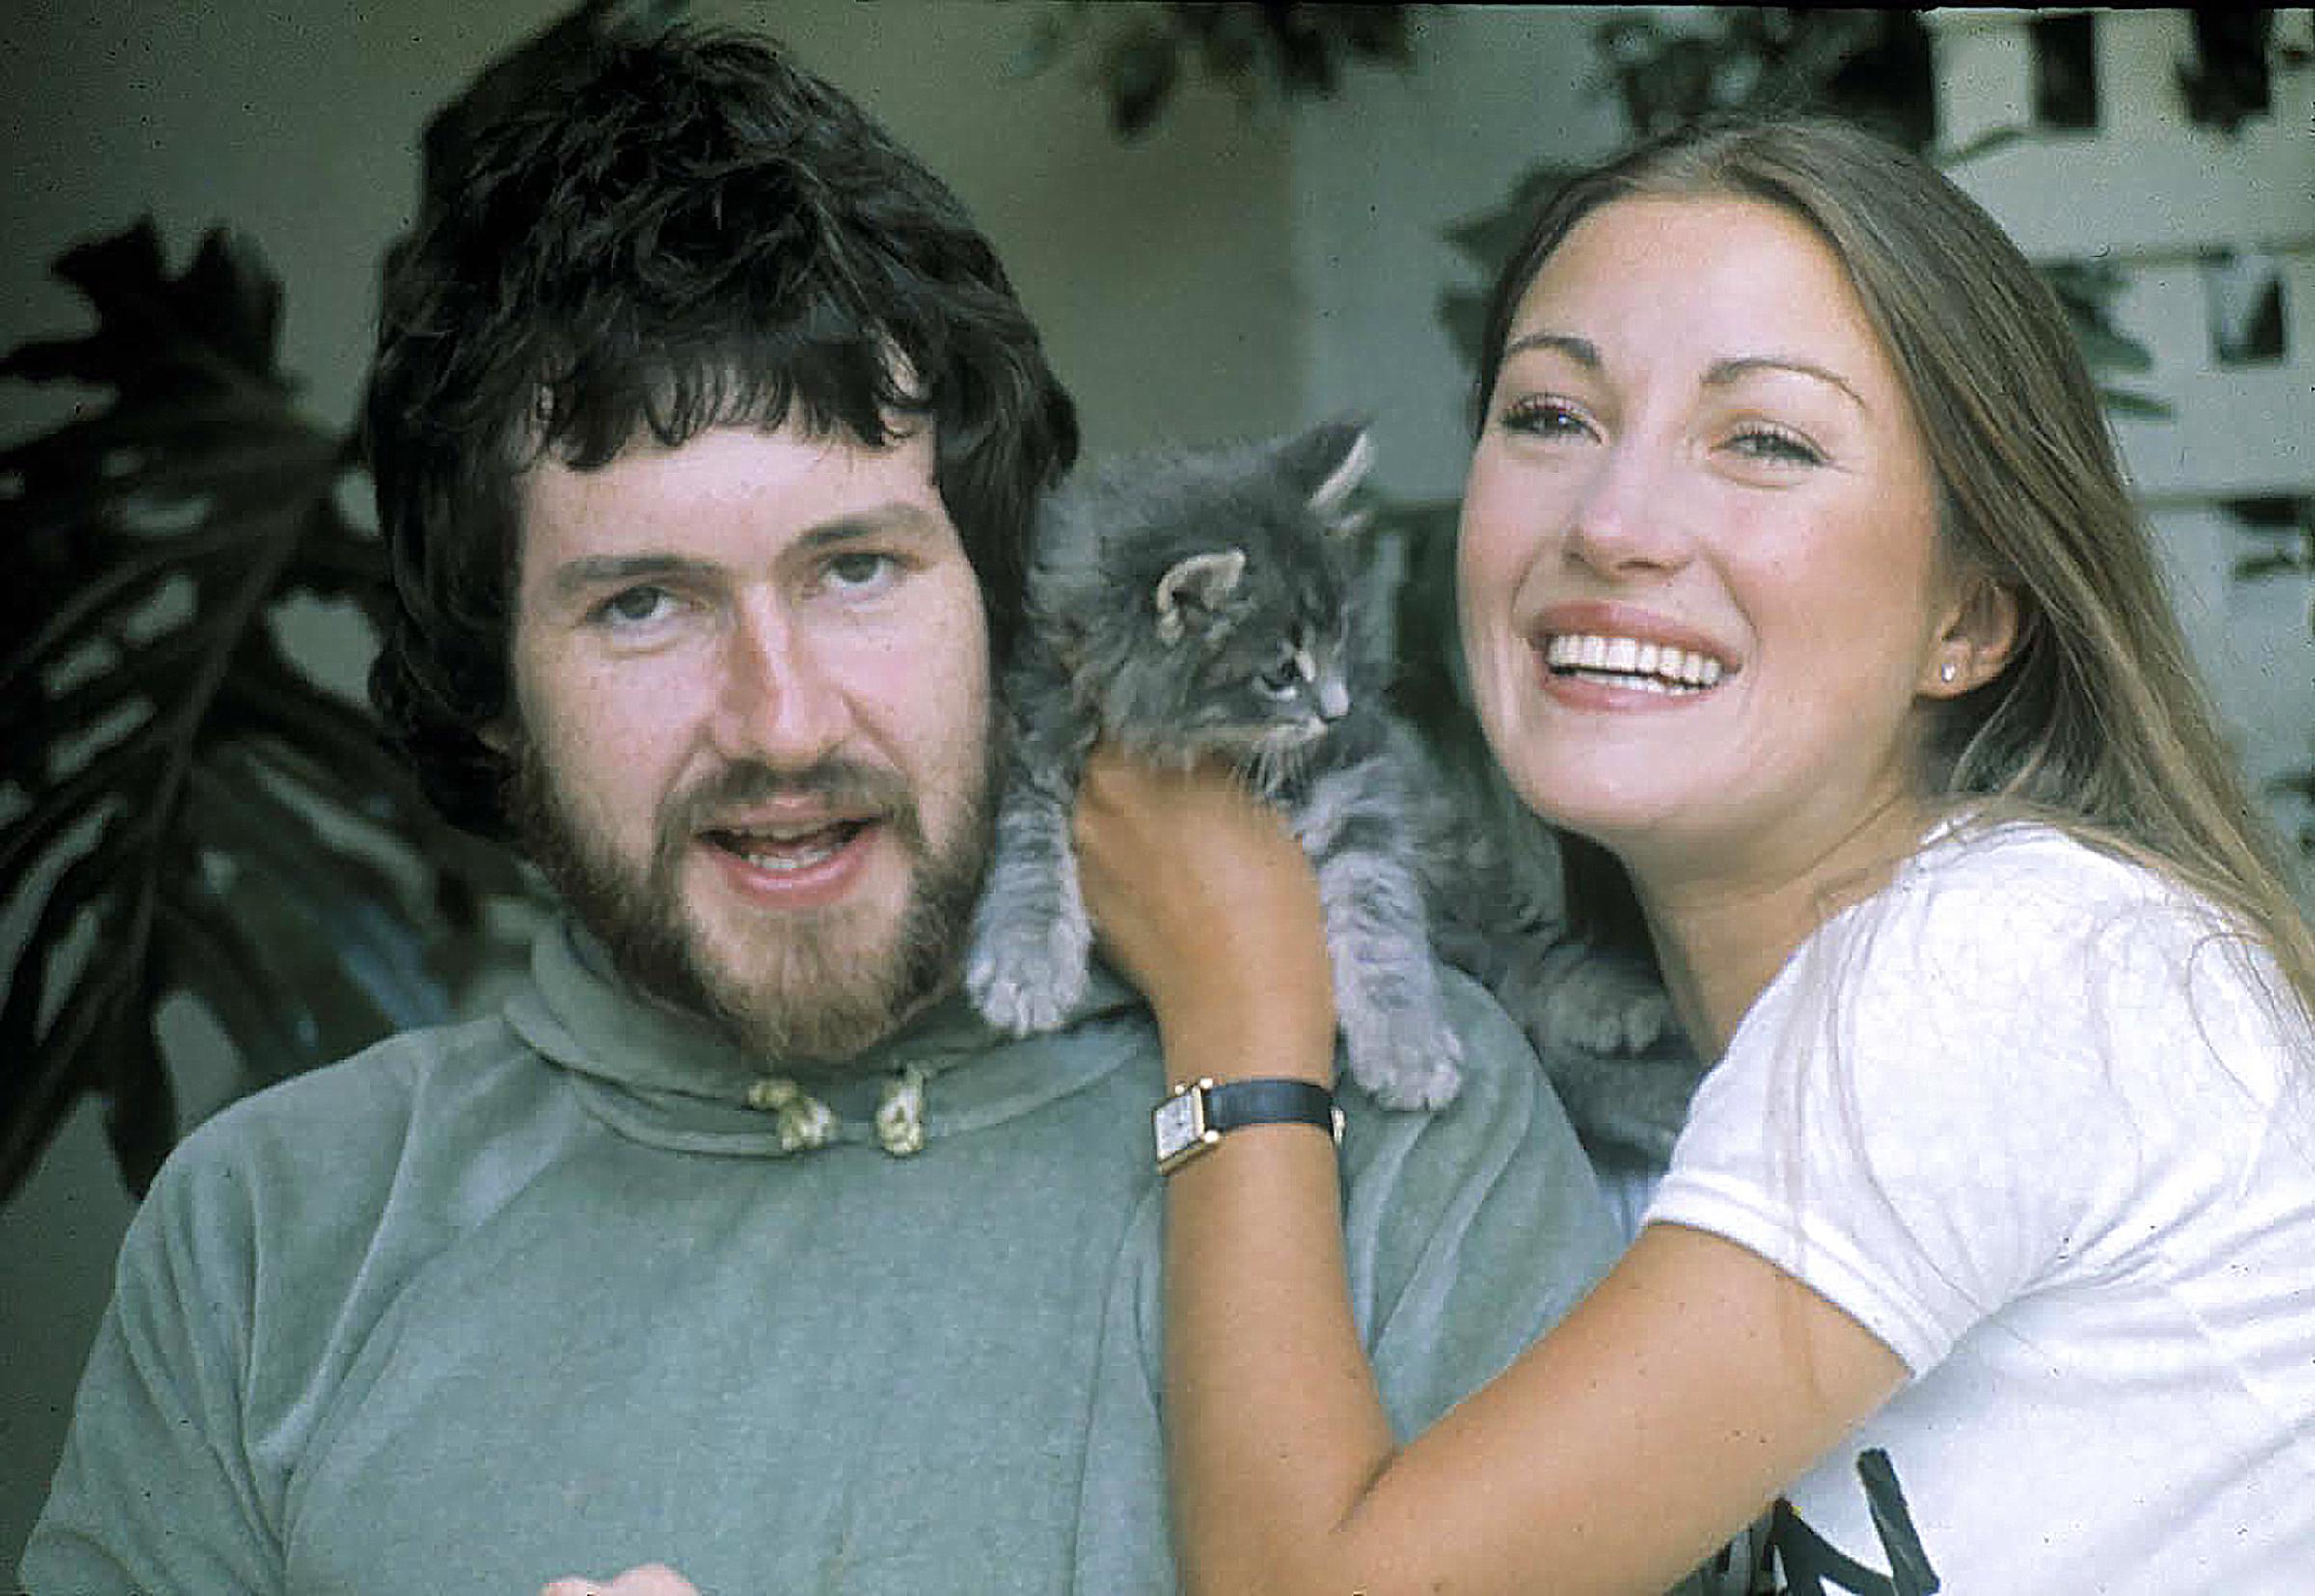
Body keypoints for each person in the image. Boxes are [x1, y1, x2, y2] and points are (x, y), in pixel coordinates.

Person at [17, 24, 1627, 1596]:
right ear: (493, 682)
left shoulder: (1411, 1127)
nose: (781, 722)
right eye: (643, 603)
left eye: (857, 569)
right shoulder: (271, 1236)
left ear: (1012, 600)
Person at [1074, 117, 2315, 1594]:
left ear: (1968, 622)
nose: (1612, 521)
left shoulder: (2013, 966)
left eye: (1766, 441)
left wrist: (1241, 1008)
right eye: (1549, 417)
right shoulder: (1619, 1113)